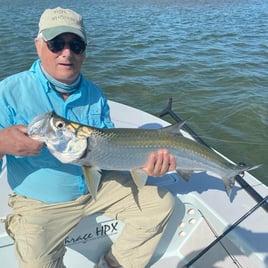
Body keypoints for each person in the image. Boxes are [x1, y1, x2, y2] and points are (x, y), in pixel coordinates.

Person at [0, 7, 176, 268]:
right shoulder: (9, 91)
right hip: (42, 203)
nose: (66, 53)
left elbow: (107, 148)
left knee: (160, 204)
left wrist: (145, 165)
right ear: (38, 46)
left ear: (84, 51)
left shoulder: (95, 93)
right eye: (56, 43)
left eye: (76, 45)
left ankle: (115, 263)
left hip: (96, 187)